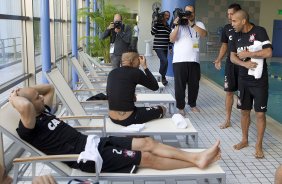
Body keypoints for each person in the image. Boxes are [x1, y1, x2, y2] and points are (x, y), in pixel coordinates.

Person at [9, 84, 221, 174]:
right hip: (87, 157)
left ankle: (196, 157)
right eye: (36, 97)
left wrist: (27, 91)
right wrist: (14, 97)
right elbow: (26, 105)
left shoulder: (43, 111)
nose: (40, 97)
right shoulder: (28, 127)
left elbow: (49, 89)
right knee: (145, 156)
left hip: (91, 142)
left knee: (148, 142)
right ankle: (195, 161)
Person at [229, 10, 272, 158]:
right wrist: (244, 64)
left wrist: (249, 54)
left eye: (234, 21)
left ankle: (259, 145)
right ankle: (245, 140)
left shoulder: (259, 31)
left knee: (260, 114)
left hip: (259, 82)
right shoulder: (236, 35)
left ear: (243, 21)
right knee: (244, 111)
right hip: (243, 80)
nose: (232, 23)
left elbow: (268, 52)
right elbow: (232, 57)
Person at [106, 51, 166, 126]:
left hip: (112, 117)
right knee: (163, 108)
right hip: (128, 118)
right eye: (138, 60)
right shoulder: (136, 72)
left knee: (137, 108)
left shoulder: (112, 72)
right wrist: (145, 67)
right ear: (133, 61)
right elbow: (155, 87)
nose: (139, 64)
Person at [170, 5, 207, 115]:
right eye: (187, 12)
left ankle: (192, 104)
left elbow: (204, 34)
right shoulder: (178, 24)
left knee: (194, 85)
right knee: (179, 86)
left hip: (194, 60)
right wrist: (176, 25)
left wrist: (192, 24)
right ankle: (180, 107)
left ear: (194, 14)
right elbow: (172, 39)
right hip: (179, 60)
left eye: (191, 12)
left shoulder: (199, 24)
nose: (188, 14)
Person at [214, 3, 241, 129]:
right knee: (229, 92)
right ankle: (228, 119)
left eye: (232, 14)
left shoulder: (246, 27)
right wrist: (219, 59)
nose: (229, 17)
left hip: (243, 65)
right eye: (228, 14)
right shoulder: (226, 28)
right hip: (231, 65)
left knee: (243, 93)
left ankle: (244, 118)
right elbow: (224, 45)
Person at [151, 10, 172, 86]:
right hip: (158, 46)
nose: (168, 17)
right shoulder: (158, 23)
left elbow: (169, 37)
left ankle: (161, 77)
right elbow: (153, 32)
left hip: (165, 47)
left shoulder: (168, 25)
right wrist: (155, 23)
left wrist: (170, 47)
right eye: (166, 15)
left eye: (168, 15)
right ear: (163, 16)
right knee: (165, 61)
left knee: (163, 62)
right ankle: (162, 77)